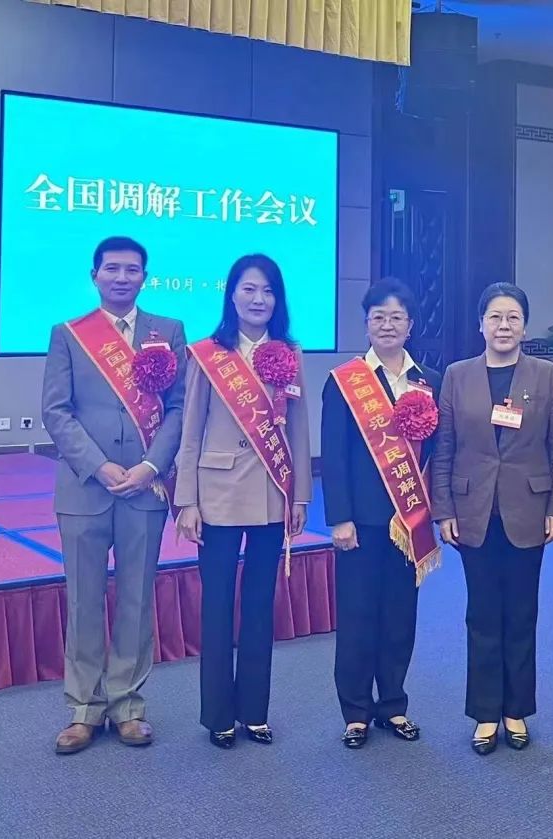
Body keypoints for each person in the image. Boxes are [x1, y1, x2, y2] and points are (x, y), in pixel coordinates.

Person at [42, 236, 186, 754]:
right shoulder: (69, 334)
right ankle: (84, 709)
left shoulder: (168, 332)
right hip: (85, 488)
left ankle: (127, 705)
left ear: (145, 277)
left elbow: (178, 407)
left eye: (132, 269)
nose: (122, 277)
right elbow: (56, 411)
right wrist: (99, 466)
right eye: (112, 269)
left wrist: (150, 466)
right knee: (83, 600)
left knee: (135, 598)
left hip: (144, 489)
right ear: (95, 275)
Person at [174, 254, 311, 749]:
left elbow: (299, 430)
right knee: (217, 606)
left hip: (273, 495)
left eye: (268, 291)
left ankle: (254, 712)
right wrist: (186, 500)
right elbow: (191, 430)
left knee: (258, 606)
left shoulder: (289, 353)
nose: (259, 299)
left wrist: (300, 495)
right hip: (217, 495)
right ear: (232, 295)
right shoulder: (208, 354)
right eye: (249, 289)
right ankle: (218, 716)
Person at [431, 283, 553, 755]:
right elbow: (445, 448)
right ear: (481, 325)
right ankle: (486, 712)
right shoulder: (457, 375)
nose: (504, 326)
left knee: (522, 613)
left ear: (524, 326)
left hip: (528, 508)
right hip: (472, 510)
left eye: (513, 317)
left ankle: (517, 710)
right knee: (482, 614)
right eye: (495, 317)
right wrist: (443, 509)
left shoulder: (546, 375)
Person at [321, 278, 443, 749]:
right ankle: (355, 712)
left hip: (409, 520)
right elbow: (334, 454)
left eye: (396, 317)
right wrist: (340, 517)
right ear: (367, 324)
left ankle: (393, 704)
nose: (387, 325)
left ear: (410, 325)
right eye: (379, 317)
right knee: (357, 616)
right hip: (360, 521)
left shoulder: (428, 380)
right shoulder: (345, 381)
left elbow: (437, 452)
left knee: (399, 616)